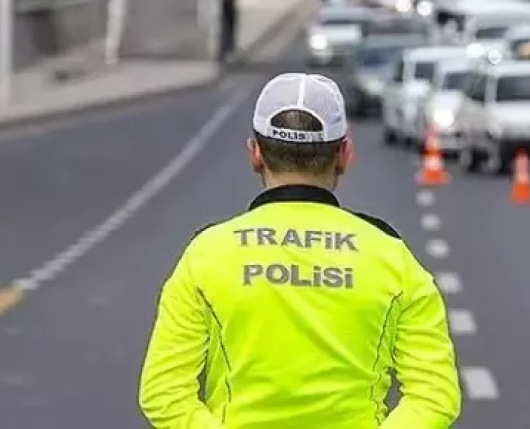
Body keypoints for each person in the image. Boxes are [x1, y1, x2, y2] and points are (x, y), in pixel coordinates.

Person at [139, 73, 462, 428]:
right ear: (344, 155)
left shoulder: (206, 255)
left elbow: (162, 392)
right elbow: (435, 395)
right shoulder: (392, 257)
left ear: (255, 153)